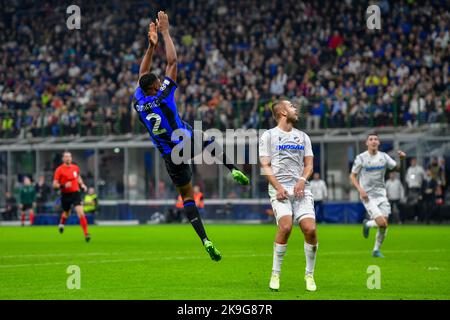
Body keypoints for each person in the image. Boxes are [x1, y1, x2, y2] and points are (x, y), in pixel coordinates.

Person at [132, 12, 249, 261]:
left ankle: (205, 239)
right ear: (156, 87)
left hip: (169, 156)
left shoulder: (139, 102)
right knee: (208, 139)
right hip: (185, 141)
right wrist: (164, 33)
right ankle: (232, 168)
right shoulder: (162, 96)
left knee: (187, 196)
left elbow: (142, 76)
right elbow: (172, 63)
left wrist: (150, 48)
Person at [259, 100, 318, 292]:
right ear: (283, 112)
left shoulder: (303, 137)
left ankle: (309, 275)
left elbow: (309, 165)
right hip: (279, 189)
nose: (296, 109)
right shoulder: (268, 136)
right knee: (285, 226)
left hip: (301, 188)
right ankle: (275, 274)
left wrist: (302, 179)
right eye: (292, 106)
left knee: (310, 229)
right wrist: (277, 187)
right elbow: (265, 166)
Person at [349, 132, 406, 258]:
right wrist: (360, 190)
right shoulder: (361, 158)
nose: (374, 141)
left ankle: (375, 249)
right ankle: (368, 224)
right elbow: (352, 175)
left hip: (382, 195)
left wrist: (401, 159)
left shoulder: (384, 157)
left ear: (379, 143)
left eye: (376, 139)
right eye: (371, 139)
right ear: (367, 143)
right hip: (367, 196)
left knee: (384, 226)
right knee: (382, 223)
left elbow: (397, 169)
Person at [53, 151, 90, 242]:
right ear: (63, 159)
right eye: (66, 157)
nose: (68, 158)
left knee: (81, 213)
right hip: (65, 194)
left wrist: (82, 185)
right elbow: (54, 184)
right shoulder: (59, 170)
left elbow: (78, 177)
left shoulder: (75, 167)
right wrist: (64, 185)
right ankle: (61, 223)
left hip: (75, 193)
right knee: (67, 213)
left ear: (71, 158)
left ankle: (86, 234)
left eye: (69, 156)